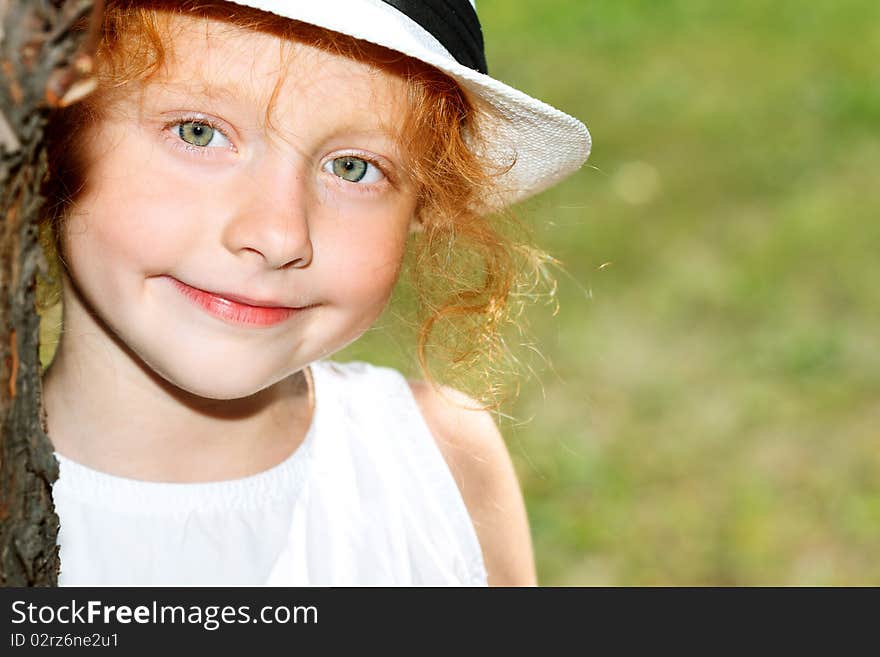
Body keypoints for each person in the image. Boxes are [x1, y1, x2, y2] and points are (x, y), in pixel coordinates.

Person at [37, 0, 591, 586]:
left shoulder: (438, 461)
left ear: (422, 206)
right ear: (55, 135)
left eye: (353, 168)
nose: (279, 235)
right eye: (198, 133)